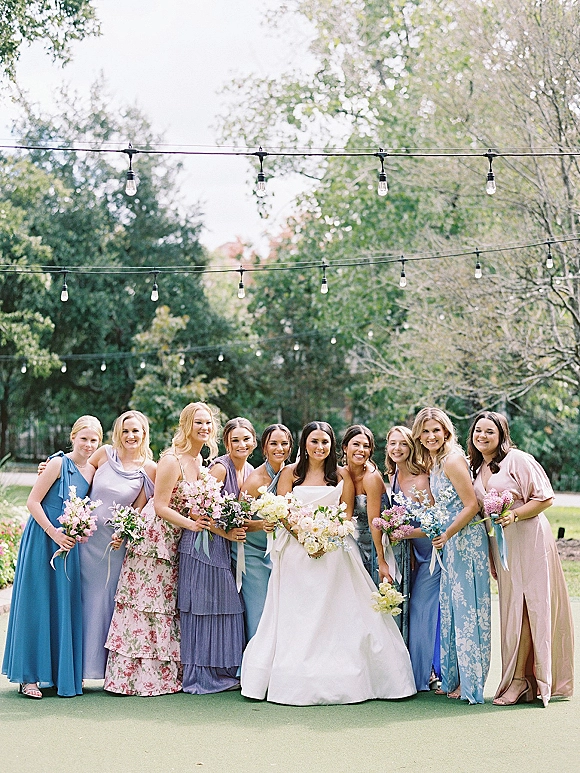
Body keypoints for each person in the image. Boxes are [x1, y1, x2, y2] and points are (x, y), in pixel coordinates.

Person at [241, 421, 416, 706]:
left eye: (325, 442)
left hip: (335, 552)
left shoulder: (341, 474)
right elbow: (283, 511)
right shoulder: (289, 473)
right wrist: (305, 536)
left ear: (332, 445)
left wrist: (326, 539)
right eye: (314, 441)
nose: (320, 447)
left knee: (341, 613)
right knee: (296, 615)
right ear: (305, 444)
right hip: (297, 553)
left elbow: (346, 516)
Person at [104, 402, 214, 696]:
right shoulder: (171, 460)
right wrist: (191, 525)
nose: (204, 428)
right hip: (153, 539)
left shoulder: (200, 461)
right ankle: (129, 680)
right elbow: (161, 506)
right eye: (198, 423)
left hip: (177, 540)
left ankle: (161, 676)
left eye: (208, 423)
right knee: (144, 603)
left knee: (164, 606)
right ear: (186, 426)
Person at [469, 411, 574, 707]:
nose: (483, 436)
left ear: (502, 434)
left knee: (530, 608)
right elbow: (484, 514)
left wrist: (514, 514)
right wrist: (492, 552)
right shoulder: (479, 469)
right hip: (503, 547)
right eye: (478, 431)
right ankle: (521, 679)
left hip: (530, 539)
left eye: (490, 431)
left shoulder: (519, 460)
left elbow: (545, 498)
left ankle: (523, 680)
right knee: (513, 610)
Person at [3, 416, 102, 698]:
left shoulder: (93, 470)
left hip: (69, 545)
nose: (88, 444)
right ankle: (29, 678)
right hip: (42, 540)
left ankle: (61, 673)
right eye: (83, 438)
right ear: (73, 437)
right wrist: (53, 532)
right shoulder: (57, 463)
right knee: (37, 604)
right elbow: (32, 501)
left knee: (63, 604)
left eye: (94, 440)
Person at [412, 407, 490, 704]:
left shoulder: (454, 460)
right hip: (449, 543)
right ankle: (453, 679)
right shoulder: (435, 463)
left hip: (466, 541)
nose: (431, 436)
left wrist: (447, 534)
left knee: (467, 610)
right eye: (426, 431)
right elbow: (440, 507)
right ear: (419, 434)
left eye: (436, 430)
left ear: (446, 431)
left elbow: (471, 505)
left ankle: (470, 684)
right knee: (452, 611)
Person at [79, 410, 156, 681]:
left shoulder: (150, 469)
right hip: (85, 540)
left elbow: (139, 509)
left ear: (144, 433)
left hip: (113, 547)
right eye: (125, 431)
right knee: (80, 599)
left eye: (135, 431)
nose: (130, 436)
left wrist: (124, 534)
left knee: (103, 603)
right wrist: (49, 467)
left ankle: (97, 668)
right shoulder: (103, 454)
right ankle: (73, 666)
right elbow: (76, 476)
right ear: (118, 434)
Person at [178, 416, 250, 693]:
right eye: (235, 440)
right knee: (205, 609)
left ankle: (223, 673)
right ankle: (201, 678)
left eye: (245, 439)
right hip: (202, 545)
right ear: (226, 444)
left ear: (254, 442)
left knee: (225, 609)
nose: (241, 444)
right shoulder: (220, 469)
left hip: (221, 544)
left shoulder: (248, 470)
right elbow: (198, 511)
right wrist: (228, 534)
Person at [386, 425, 438, 688]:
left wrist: (403, 535)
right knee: (414, 609)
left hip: (433, 557)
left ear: (412, 447)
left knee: (421, 609)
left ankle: (424, 674)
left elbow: (434, 525)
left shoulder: (421, 479)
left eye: (403, 444)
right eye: (393, 443)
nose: (398, 449)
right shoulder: (393, 477)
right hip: (412, 556)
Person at [240, 423, 293, 640]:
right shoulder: (255, 481)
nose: (279, 448)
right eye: (273, 443)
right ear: (264, 448)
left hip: (280, 551)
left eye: (284, 443)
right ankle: (254, 665)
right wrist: (261, 525)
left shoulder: (292, 474)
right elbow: (238, 521)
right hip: (253, 552)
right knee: (260, 609)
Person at [341, 424, 385, 585]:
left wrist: (382, 560)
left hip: (377, 546)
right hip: (353, 545)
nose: (361, 449)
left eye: (366, 446)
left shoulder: (371, 478)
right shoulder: (341, 474)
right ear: (345, 448)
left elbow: (375, 524)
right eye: (356, 444)